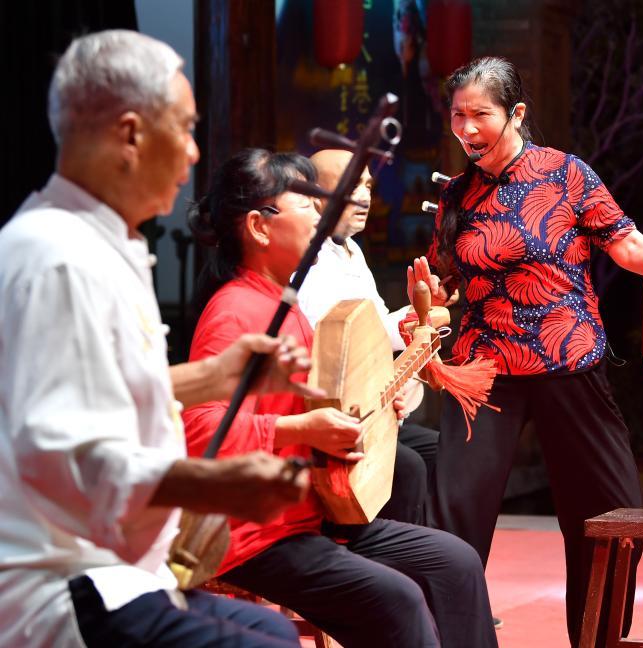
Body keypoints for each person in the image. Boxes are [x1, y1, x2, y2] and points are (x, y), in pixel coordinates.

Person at [0, 30, 325, 647]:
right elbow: (58, 456)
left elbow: (96, 390)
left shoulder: (98, 242)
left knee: (270, 632)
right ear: (129, 134)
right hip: (62, 580)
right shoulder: (57, 258)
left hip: (116, 564)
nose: (195, 153)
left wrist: (217, 375)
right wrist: (212, 484)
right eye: (183, 127)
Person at [408, 56, 643, 646]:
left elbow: (628, 247)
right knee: (454, 515)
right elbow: (449, 285)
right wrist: (427, 298)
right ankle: (449, 638)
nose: (467, 129)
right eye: (458, 116)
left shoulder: (567, 174)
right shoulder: (456, 196)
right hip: (484, 369)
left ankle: (598, 637)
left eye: (481, 115)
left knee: (611, 513)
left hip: (568, 358)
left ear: (516, 114)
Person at [184, 147, 498, 648]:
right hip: (259, 533)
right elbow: (201, 430)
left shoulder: (283, 305)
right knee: (397, 598)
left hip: (313, 512)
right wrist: (300, 432)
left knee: (454, 562)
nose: (320, 213)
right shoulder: (236, 311)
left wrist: (380, 397)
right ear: (260, 228)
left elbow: (327, 396)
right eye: (306, 203)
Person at [299, 149, 439, 525]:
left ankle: (435, 553)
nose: (364, 196)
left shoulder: (351, 251)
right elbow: (326, 351)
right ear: (316, 197)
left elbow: (375, 332)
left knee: (446, 452)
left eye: (367, 185)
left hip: (373, 406)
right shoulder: (308, 260)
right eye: (350, 186)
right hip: (340, 414)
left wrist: (418, 312)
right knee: (410, 465)